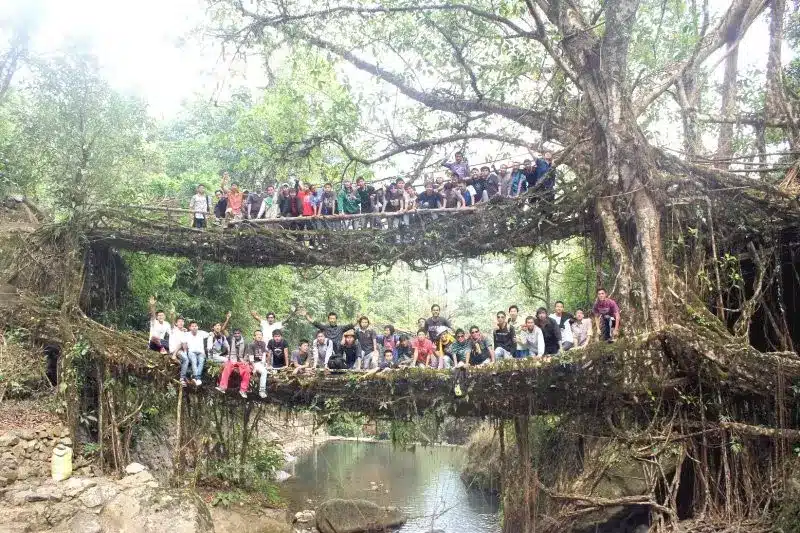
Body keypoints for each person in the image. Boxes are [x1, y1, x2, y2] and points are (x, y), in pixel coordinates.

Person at [216, 329, 251, 398]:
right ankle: (222, 387)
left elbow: (247, 353)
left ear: (240, 333)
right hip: (232, 359)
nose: (237, 335)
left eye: (238, 333)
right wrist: (227, 319)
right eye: (235, 333)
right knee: (226, 368)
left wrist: (245, 361)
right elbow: (222, 329)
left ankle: (243, 390)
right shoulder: (230, 340)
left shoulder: (245, 342)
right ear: (233, 334)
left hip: (241, 360)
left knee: (247, 371)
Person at [183, 321, 209, 387]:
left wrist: (211, 333)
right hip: (191, 352)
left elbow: (210, 334)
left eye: (195, 326)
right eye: (192, 326)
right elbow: (183, 342)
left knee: (201, 361)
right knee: (194, 361)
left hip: (201, 352)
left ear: (197, 327)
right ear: (190, 327)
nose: (194, 327)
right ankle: (198, 378)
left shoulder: (202, 333)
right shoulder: (186, 334)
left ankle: (195, 378)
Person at [249, 330, 269, 398]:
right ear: (254, 336)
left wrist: (265, 363)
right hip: (255, 363)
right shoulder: (251, 345)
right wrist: (254, 368)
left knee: (270, 370)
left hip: (261, 363)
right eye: (257, 334)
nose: (259, 336)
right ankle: (262, 391)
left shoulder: (263, 343)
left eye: (260, 335)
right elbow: (251, 358)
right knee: (264, 372)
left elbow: (264, 354)